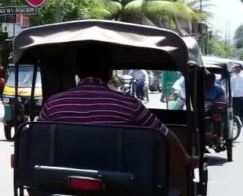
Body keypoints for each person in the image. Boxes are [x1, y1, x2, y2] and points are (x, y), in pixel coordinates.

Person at [37, 46, 197, 170]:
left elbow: (36, 137)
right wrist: (185, 159)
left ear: (79, 72)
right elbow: (164, 135)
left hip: (61, 178)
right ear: (109, 73)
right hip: (120, 184)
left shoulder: (54, 103)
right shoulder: (129, 104)